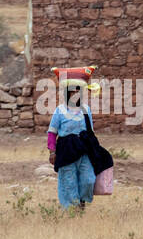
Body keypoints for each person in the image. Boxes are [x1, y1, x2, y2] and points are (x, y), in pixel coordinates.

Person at [46, 68, 112, 209]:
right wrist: (52, 152)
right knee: (69, 182)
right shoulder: (59, 111)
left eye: (78, 92)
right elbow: (52, 133)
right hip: (66, 150)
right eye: (72, 92)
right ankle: (73, 210)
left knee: (88, 179)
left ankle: (82, 201)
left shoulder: (86, 109)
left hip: (84, 150)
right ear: (67, 93)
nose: (75, 95)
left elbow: (90, 131)